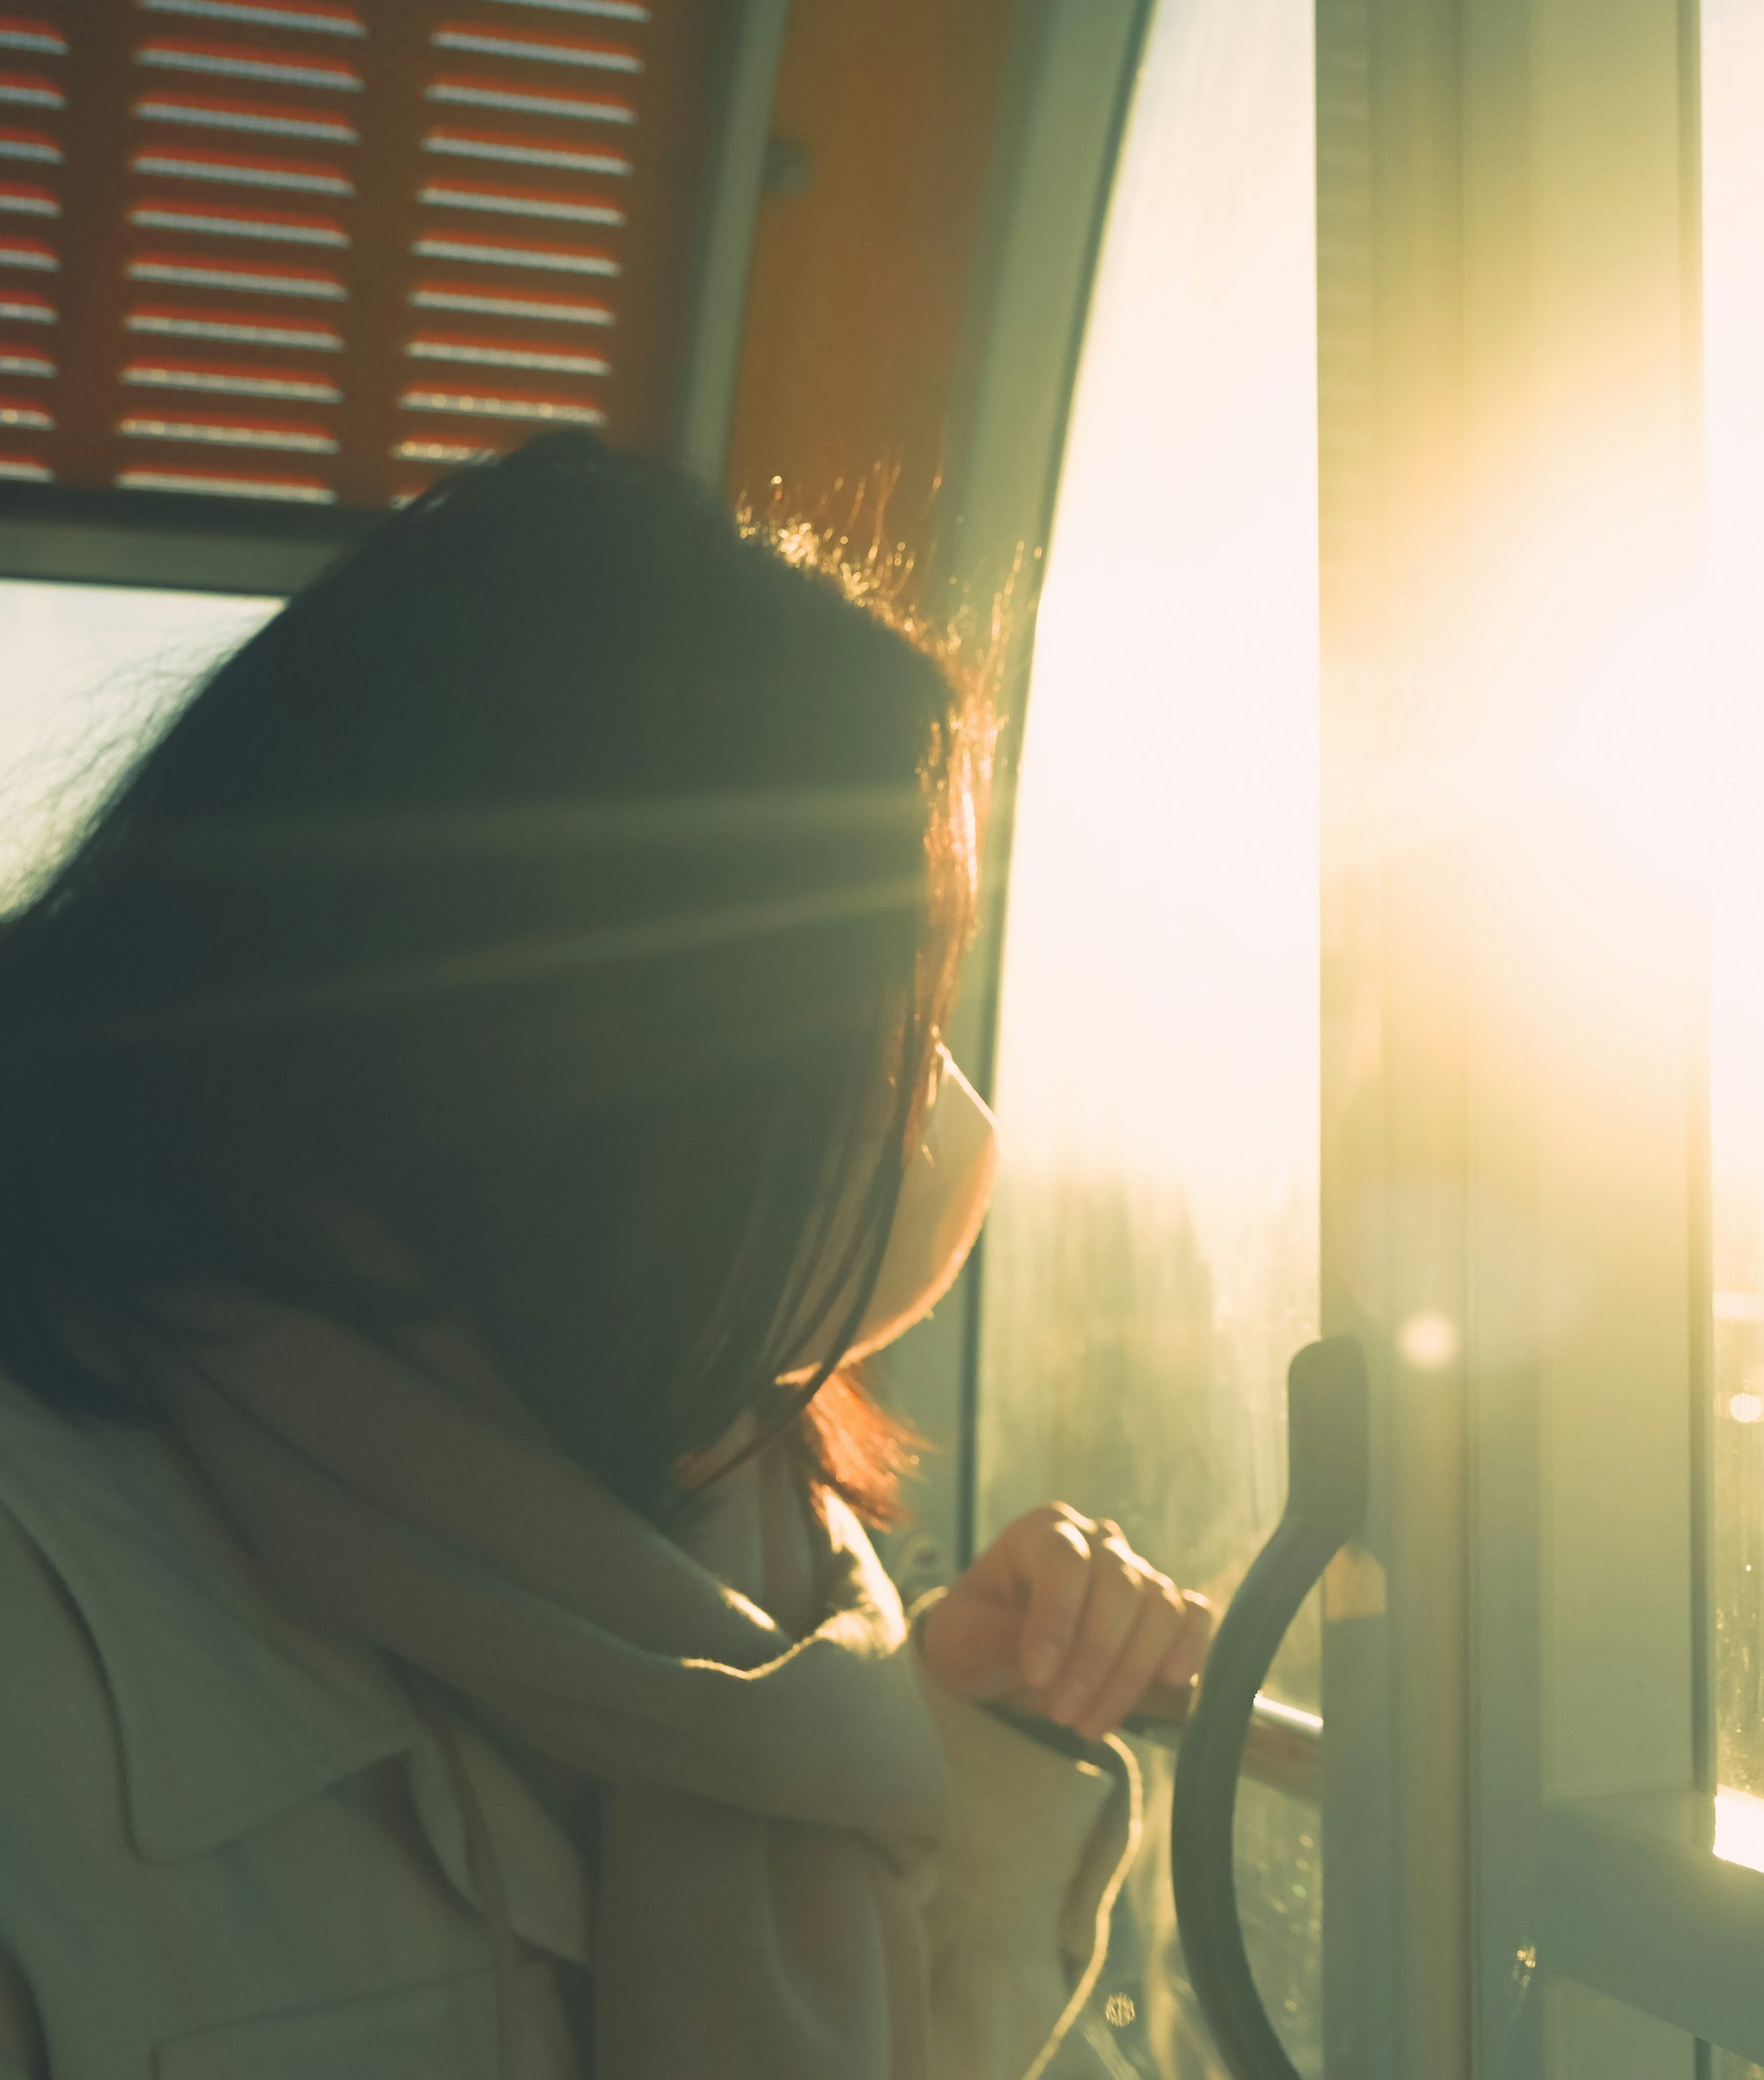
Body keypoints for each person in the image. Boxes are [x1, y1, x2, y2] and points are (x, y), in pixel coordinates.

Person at [0, 435, 1213, 2079]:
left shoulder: (735, 1537)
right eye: (885, 1027)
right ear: (617, 1056)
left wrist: (982, 1725)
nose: (935, 1118)